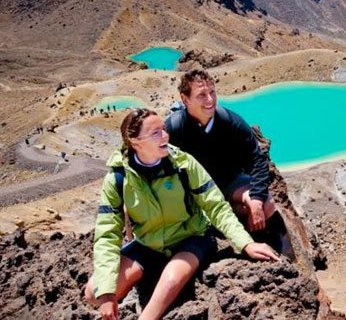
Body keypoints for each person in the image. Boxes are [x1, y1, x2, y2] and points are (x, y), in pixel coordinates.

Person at [84, 108, 278, 320]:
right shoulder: (118, 178)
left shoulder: (183, 163)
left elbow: (216, 207)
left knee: (172, 279)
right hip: (149, 244)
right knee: (95, 292)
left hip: (192, 238)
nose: (165, 136)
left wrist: (246, 243)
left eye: (164, 129)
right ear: (135, 141)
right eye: (155, 133)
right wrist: (106, 293)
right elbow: (107, 234)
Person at [165, 70, 287, 251]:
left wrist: (256, 200)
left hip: (228, 182)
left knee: (266, 205)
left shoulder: (230, 121)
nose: (210, 100)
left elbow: (257, 160)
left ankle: (244, 239)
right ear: (185, 99)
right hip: (194, 191)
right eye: (201, 95)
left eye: (212, 93)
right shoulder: (174, 128)